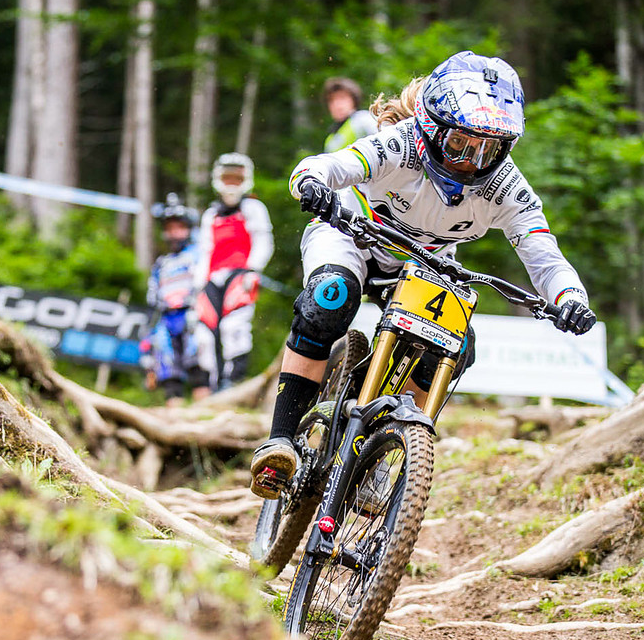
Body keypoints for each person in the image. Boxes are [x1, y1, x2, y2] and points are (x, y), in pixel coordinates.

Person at [249, 51, 597, 500]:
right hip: (351, 236)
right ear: (432, 128)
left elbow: (544, 256)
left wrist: (570, 297)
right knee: (329, 296)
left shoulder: (507, 187)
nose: (470, 161)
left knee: (457, 346)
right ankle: (279, 441)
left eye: (487, 149)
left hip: (423, 264)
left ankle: (379, 447)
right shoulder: (400, 143)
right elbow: (329, 165)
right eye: (460, 143)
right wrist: (312, 183)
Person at [190, 152, 274, 398]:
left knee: (234, 327)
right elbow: (205, 250)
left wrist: (253, 269)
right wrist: (198, 285)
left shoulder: (254, 208)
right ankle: (213, 385)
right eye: (227, 178)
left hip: (241, 275)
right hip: (212, 279)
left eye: (236, 179)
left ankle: (233, 380)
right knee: (206, 334)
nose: (231, 184)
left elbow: (263, 241)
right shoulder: (211, 214)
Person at [140, 193, 200, 405]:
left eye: (179, 228)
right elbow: (153, 300)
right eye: (170, 228)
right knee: (169, 371)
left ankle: (207, 411)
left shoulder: (199, 255)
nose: (174, 233)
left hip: (193, 315)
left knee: (199, 366)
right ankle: (174, 413)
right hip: (167, 319)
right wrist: (147, 337)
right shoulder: (161, 264)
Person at [322, 77, 379, 153]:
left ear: (353, 100)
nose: (337, 104)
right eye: (332, 100)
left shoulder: (362, 119)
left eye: (342, 98)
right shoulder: (330, 139)